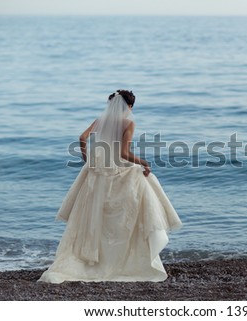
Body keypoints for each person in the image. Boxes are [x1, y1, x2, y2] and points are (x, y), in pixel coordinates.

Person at [38, 90, 182, 283]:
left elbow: (82, 138)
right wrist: (143, 162)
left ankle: (92, 260)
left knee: (95, 218)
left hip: (97, 172)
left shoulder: (100, 120)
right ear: (130, 106)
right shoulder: (129, 123)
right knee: (134, 200)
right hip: (116, 170)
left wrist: (87, 159)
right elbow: (123, 153)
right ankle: (126, 257)